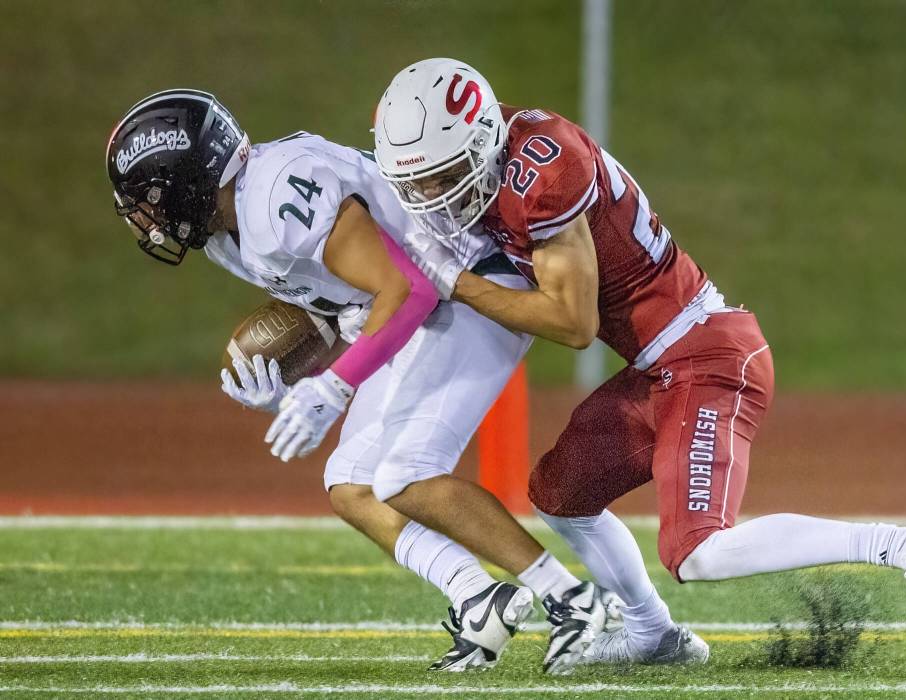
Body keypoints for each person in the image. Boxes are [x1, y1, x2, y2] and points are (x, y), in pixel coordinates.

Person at [372, 58, 906, 665]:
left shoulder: (542, 173)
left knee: (697, 551)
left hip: (705, 353)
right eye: (421, 180)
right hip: (659, 365)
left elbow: (574, 324)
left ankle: (905, 544)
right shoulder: (494, 153)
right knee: (560, 495)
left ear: (480, 141)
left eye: (444, 175)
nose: (432, 194)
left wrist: (455, 282)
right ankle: (653, 635)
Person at [104, 89, 612, 674]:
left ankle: (572, 601)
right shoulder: (229, 232)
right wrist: (298, 385)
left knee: (406, 473)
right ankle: (480, 598)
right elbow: (343, 307)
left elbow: (408, 290)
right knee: (350, 484)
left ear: (188, 181)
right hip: (421, 305)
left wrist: (335, 388)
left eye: (150, 198)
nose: (145, 218)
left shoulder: (274, 202)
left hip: (466, 284)